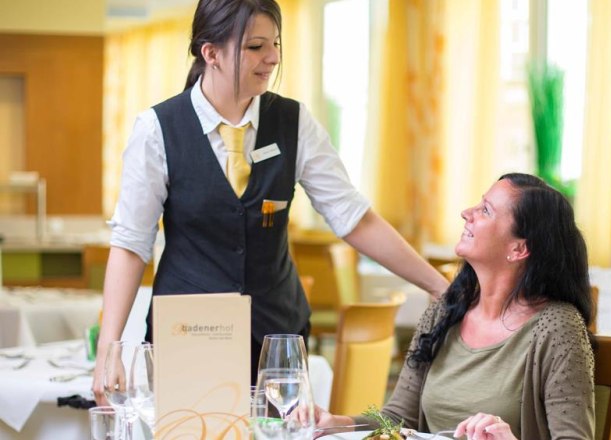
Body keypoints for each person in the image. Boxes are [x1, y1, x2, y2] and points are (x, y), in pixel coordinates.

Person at [92, 0, 449, 404]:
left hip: (277, 340)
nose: (273, 57)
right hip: (189, 335)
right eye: (256, 47)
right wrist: (110, 348)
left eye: (276, 43)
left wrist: (437, 285)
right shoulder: (158, 130)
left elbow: (354, 218)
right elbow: (130, 244)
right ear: (211, 53)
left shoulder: (294, 123)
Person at [314, 173, 595, 439]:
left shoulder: (558, 328)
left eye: (485, 210)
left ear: (519, 249)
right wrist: (336, 423)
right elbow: (399, 418)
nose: (466, 213)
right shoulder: (444, 313)